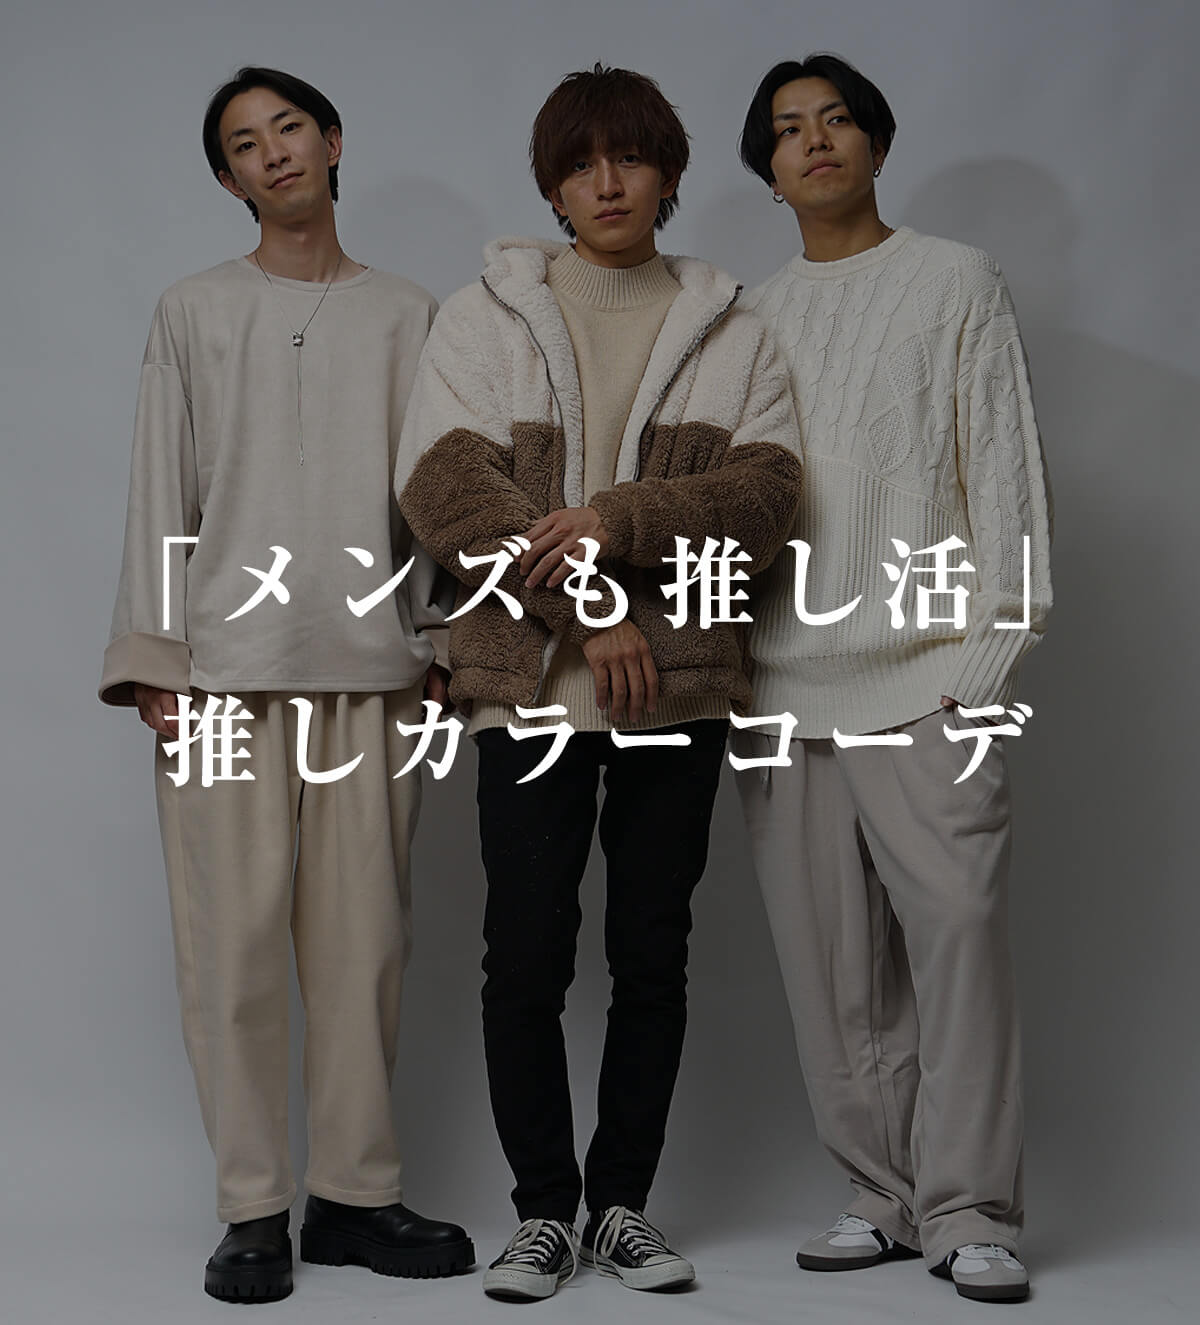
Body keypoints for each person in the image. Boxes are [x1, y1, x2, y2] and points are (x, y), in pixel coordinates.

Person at [394, 63, 803, 1303]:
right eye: (580, 164)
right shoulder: (483, 317)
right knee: (524, 955)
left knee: (650, 954)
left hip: (679, 688)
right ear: (553, 186)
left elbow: (767, 500)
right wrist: (593, 604)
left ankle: (621, 1203)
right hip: (528, 687)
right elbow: (443, 488)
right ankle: (541, 1212)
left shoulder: (733, 327)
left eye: (629, 158)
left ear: (670, 173)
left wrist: (617, 520)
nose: (607, 183)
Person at [99, 65, 472, 1304]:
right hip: (223, 677)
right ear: (229, 179)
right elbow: (161, 484)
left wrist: (443, 638)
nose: (274, 153)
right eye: (246, 144)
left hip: (376, 677)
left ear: (333, 141)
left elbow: (440, 496)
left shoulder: (410, 313)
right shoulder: (193, 310)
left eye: (290, 128)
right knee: (233, 952)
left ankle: (354, 1195)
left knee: (366, 951)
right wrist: (155, 659)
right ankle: (251, 1206)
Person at [733, 53, 1052, 1305]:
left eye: (837, 119)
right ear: (767, 172)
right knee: (834, 972)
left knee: (959, 946)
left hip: (928, 681)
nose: (814, 140)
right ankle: (880, 1191)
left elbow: (1003, 473)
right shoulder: (749, 316)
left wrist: (983, 662)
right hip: (781, 693)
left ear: (875, 141)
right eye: (787, 130)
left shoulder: (956, 280)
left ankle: (971, 1207)